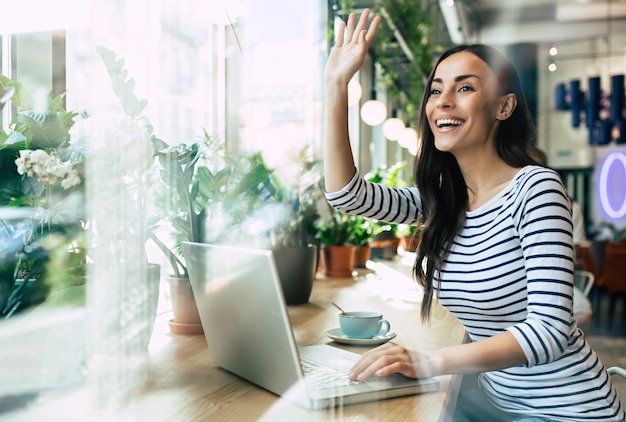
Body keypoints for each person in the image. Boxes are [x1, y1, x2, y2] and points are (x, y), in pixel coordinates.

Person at [322, 9, 624, 421]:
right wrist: (336, 84)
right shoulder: (445, 201)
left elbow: (550, 331)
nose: (444, 100)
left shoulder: (535, 189)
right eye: (436, 90)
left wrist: (430, 360)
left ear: (504, 107)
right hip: (501, 403)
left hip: (568, 410)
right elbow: (347, 196)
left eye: (465, 88)